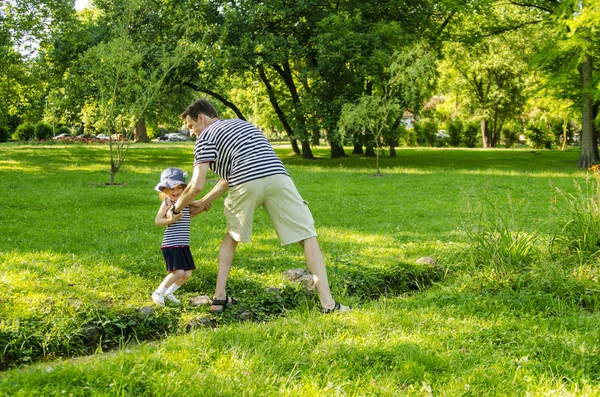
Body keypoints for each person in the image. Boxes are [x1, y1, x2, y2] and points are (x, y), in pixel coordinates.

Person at [172, 99, 351, 314]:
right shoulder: (244, 125)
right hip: (278, 178)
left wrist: (176, 208)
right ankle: (328, 304)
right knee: (308, 235)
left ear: (202, 118)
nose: (192, 133)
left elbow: (196, 185)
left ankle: (219, 298)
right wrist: (204, 203)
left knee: (231, 237)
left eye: (191, 126)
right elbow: (233, 175)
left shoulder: (206, 137)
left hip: (246, 183)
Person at [151, 167, 207, 306]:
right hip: (171, 243)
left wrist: (201, 207)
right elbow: (158, 221)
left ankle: (169, 293)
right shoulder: (167, 203)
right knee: (178, 272)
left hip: (183, 244)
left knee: (187, 274)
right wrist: (170, 220)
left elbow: (191, 212)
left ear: (184, 189)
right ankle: (158, 292)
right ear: (165, 190)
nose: (175, 192)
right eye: (171, 189)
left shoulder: (185, 202)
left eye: (178, 188)